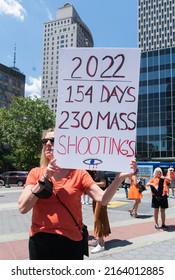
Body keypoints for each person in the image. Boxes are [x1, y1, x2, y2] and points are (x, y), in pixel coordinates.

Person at [18, 128, 137, 260]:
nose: (48, 144)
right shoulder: (35, 173)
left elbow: (102, 199)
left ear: (66, 144)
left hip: (71, 240)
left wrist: (119, 178)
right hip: (40, 240)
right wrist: (44, 178)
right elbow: (23, 208)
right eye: (45, 141)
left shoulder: (79, 173)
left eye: (53, 140)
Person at [89, 170, 111, 254]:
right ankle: (99, 239)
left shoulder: (100, 172)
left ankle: (101, 244)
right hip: (96, 198)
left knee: (98, 219)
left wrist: (91, 184)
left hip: (101, 198)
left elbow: (103, 183)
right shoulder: (94, 173)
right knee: (97, 218)